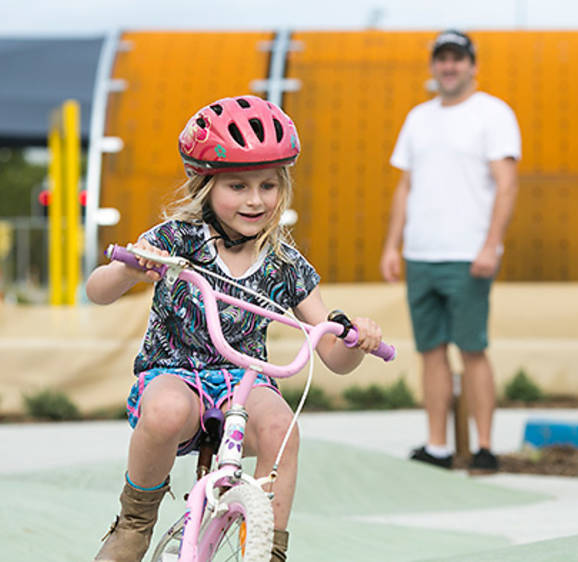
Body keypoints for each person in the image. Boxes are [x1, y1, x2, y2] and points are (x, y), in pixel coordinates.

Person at [87, 95, 383, 562]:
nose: (255, 200)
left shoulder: (286, 263)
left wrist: (353, 338)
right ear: (205, 186)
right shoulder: (175, 238)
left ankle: (267, 545)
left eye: (268, 185)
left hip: (244, 380)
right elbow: (97, 290)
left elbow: (330, 351)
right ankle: (135, 523)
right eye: (238, 186)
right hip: (173, 370)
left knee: (282, 427)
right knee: (164, 412)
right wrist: (128, 269)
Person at [380, 30, 521, 472]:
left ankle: (483, 447)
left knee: (472, 348)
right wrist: (392, 245)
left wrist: (491, 244)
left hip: (468, 254)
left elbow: (507, 184)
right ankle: (437, 447)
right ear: (433, 66)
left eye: (457, 59)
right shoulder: (418, 118)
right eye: (442, 59)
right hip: (422, 253)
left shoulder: (493, 114)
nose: (449, 66)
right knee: (431, 351)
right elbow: (405, 186)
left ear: (473, 65)